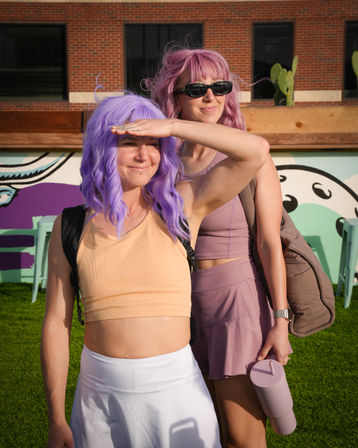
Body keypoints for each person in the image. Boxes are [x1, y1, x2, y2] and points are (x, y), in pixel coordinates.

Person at [40, 93, 269, 448]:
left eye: (154, 144)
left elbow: (255, 151)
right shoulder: (69, 225)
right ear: (102, 148)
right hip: (99, 398)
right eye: (130, 143)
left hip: (176, 393)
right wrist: (56, 418)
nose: (145, 155)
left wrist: (174, 126)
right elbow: (56, 323)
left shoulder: (181, 207)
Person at [147, 48, 292, 448]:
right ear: (175, 96)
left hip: (237, 300)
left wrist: (280, 320)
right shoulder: (161, 161)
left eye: (220, 87)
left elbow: (268, 242)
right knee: (201, 431)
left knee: (243, 436)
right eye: (196, 88)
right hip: (181, 303)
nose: (210, 97)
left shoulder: (247, 156)